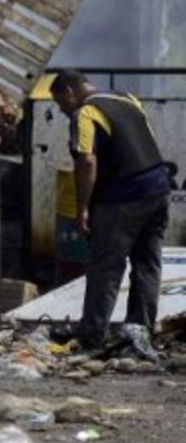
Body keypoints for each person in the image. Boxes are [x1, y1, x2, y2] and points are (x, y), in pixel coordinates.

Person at [51, 70, 171, 351]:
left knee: (106, 266)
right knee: (147, 263)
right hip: (159, 189)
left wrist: (82, 208)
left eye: (60, 104)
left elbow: (87, 162)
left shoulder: (85, 112)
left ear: (69, 92)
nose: (62, 111)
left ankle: (92, 334)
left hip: (123, 197)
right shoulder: (128, 99)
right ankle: (138, 332)